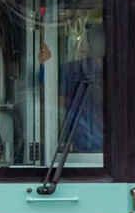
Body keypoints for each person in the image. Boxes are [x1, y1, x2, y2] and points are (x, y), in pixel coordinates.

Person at [39, 24, 105, 153]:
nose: (100, 42)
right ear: (89, 42)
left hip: (116, 153)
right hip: (80, 154)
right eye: (96, 37)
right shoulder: (74, 70)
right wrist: (43, 62)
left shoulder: (123, 73)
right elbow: (47, 82)